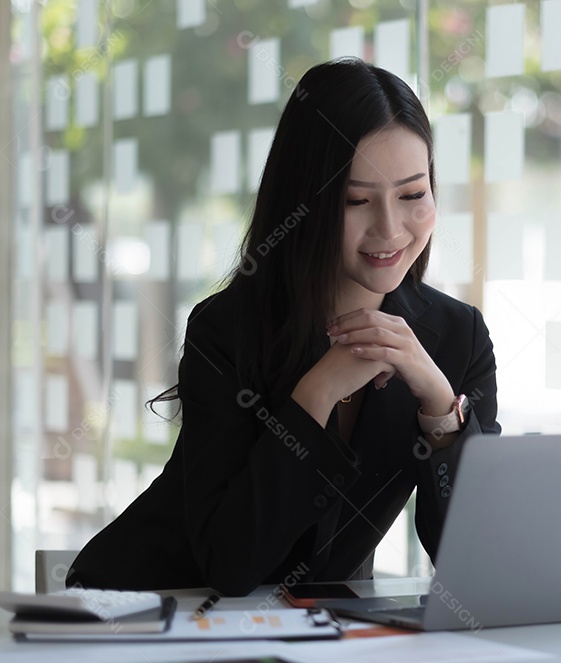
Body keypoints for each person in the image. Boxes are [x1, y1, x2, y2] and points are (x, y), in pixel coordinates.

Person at [66, 59, 500, 596]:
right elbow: (232, 566)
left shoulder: (457, 340)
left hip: (310, 632)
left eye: (413, 195)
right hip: (146, 613)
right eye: (355, 200)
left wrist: (440, 408)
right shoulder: (227, 331)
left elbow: (481, 565)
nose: (390, 228)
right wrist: (316, 393)